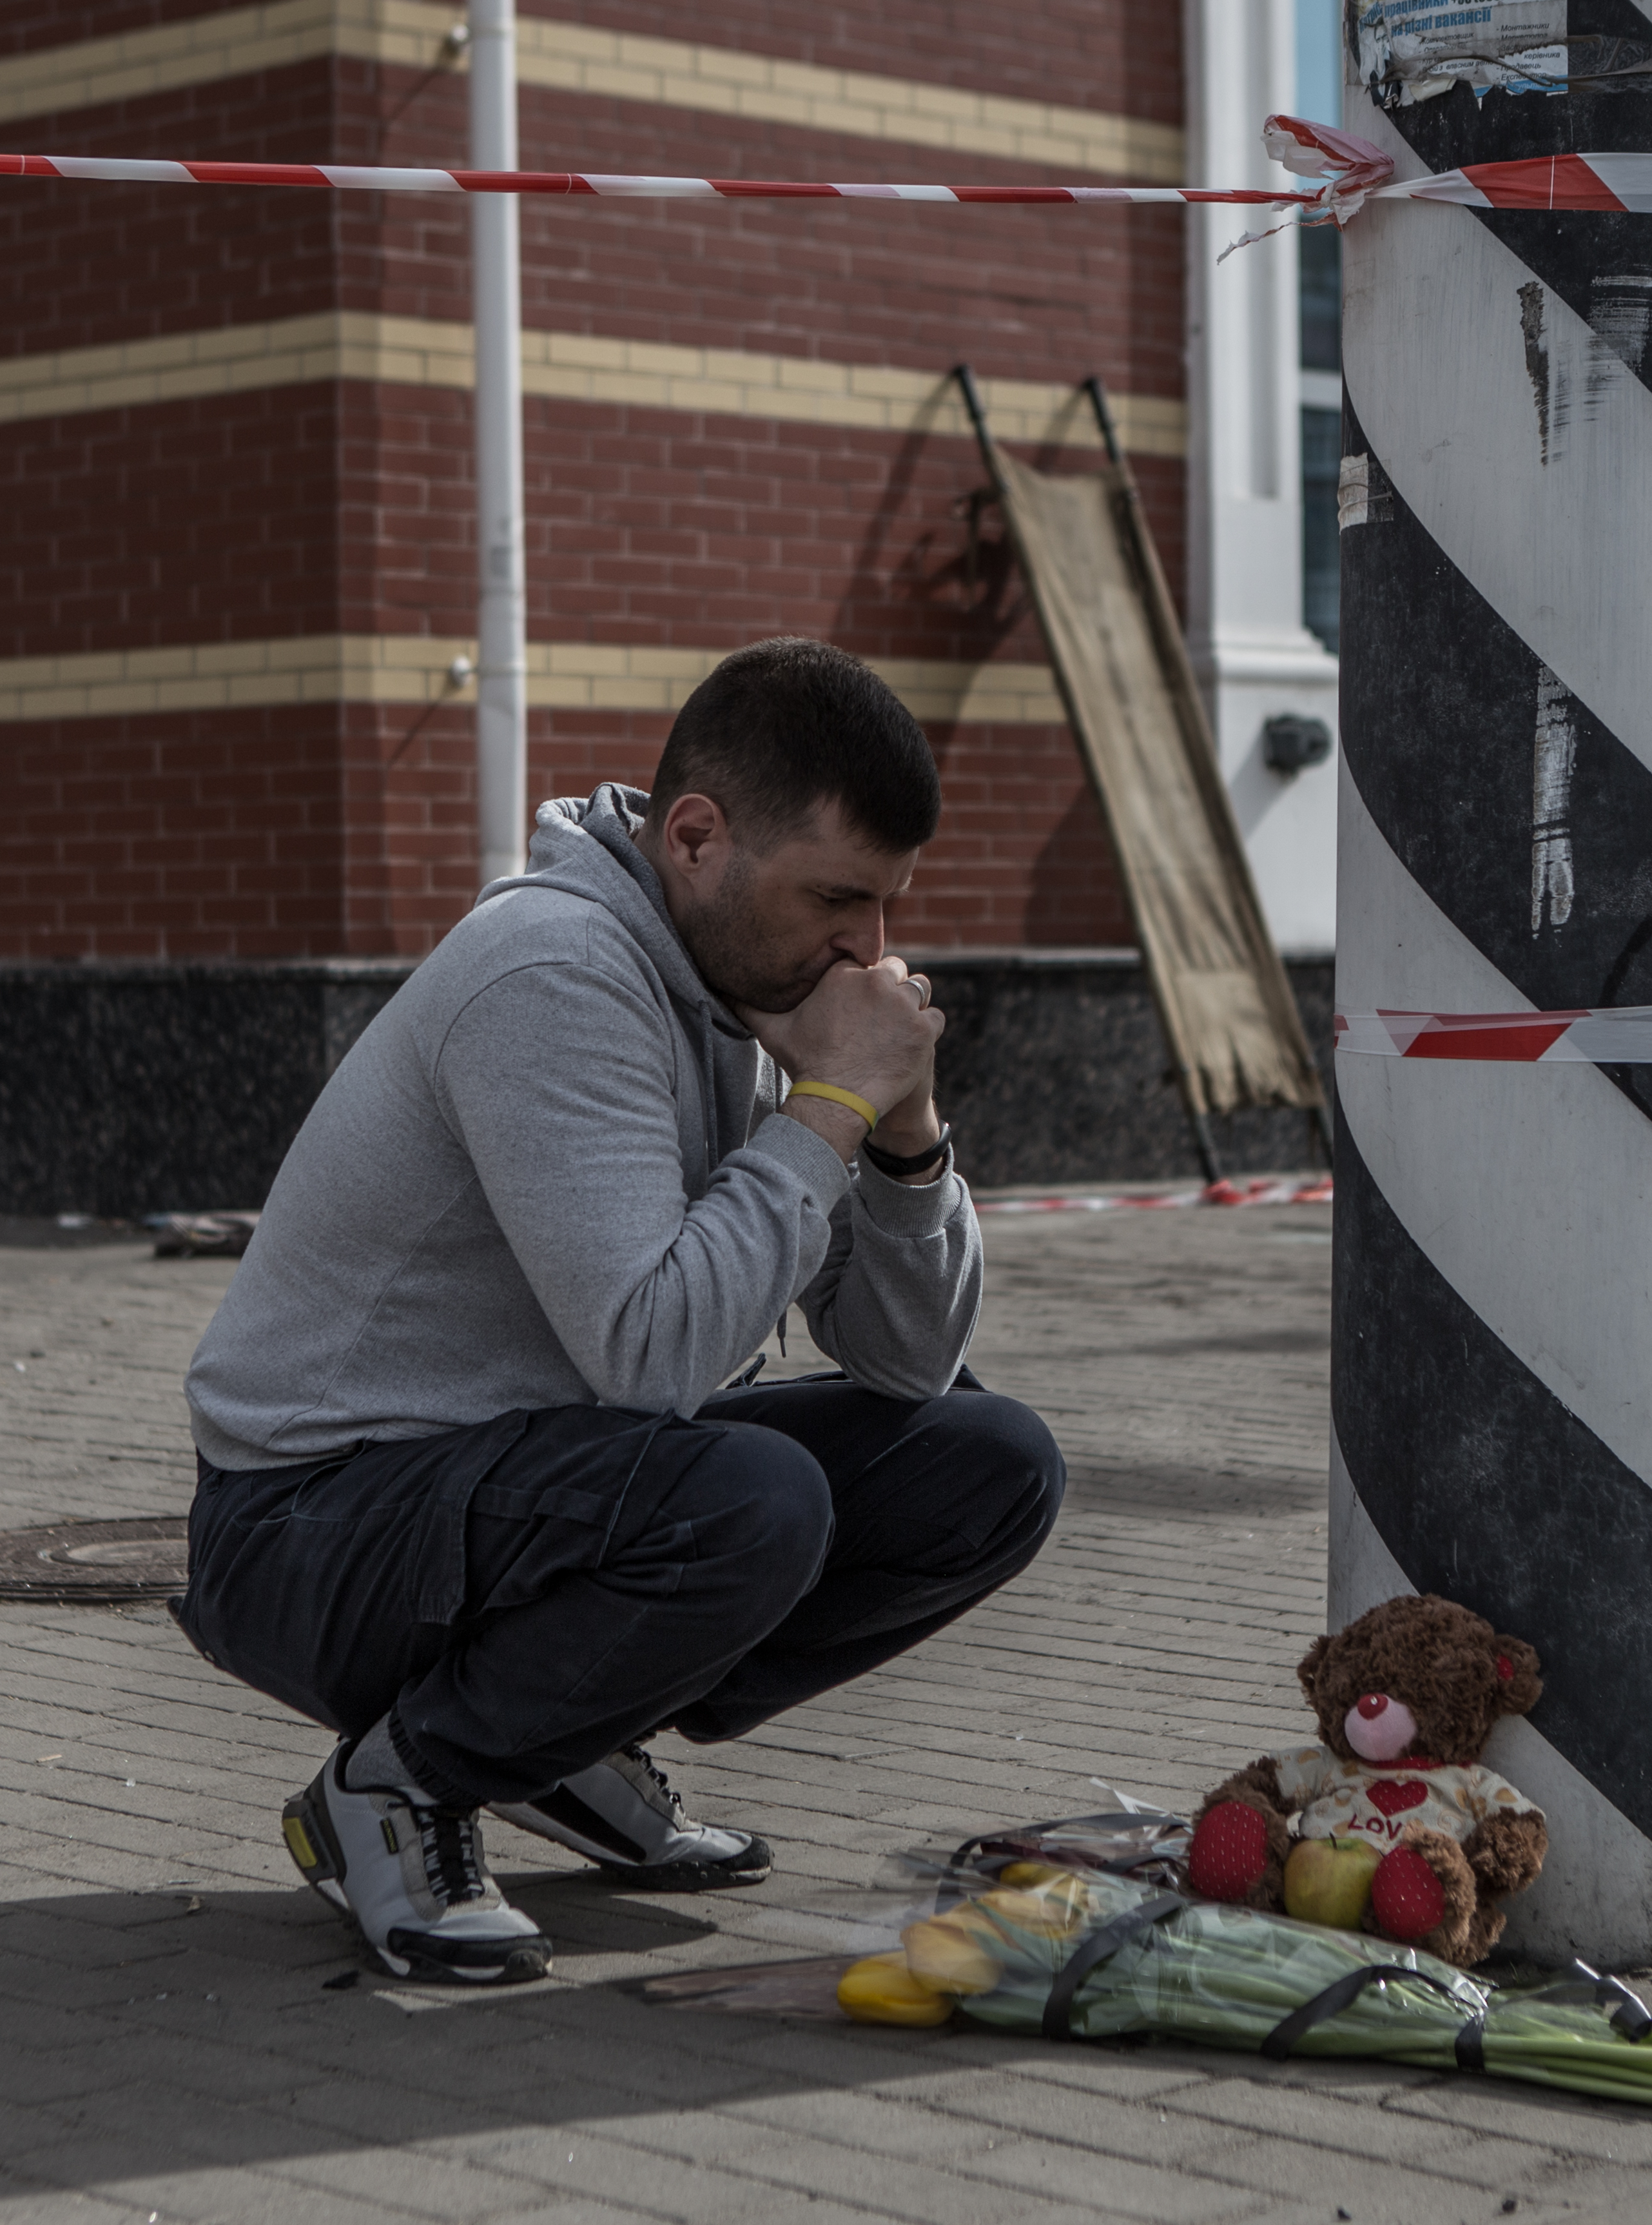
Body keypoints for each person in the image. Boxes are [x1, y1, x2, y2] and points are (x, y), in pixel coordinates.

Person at [175, 637, 1065, 1983]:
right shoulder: (552, 970)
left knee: (989, 1463)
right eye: (837, 898)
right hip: (307, 1525)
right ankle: (398, 1783)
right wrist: (827, 1106)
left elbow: (909, 1362)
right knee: (748, 1500)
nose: (867, 950)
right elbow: (653, 1356)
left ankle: (557, 1728)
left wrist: (901, 1126)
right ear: (696, 839)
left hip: (516, 1484)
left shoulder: (738, 989)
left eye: (887, 907)